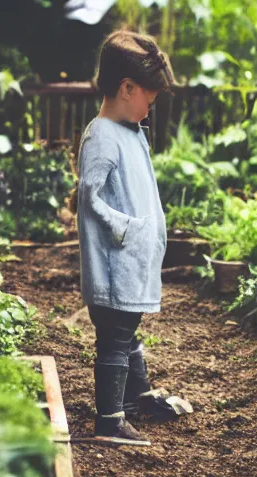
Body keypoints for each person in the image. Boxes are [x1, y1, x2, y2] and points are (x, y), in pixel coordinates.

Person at [75, 30, 187, 446]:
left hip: (129, 261)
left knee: (128, 332)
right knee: (116, 338)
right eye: (149, 100)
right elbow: (89, 196)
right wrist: (124, 227)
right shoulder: (103, 135)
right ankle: (110, 421)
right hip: (114, 264)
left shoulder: (127, 130)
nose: (149, 109)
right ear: (126, 88)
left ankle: (135, 396)